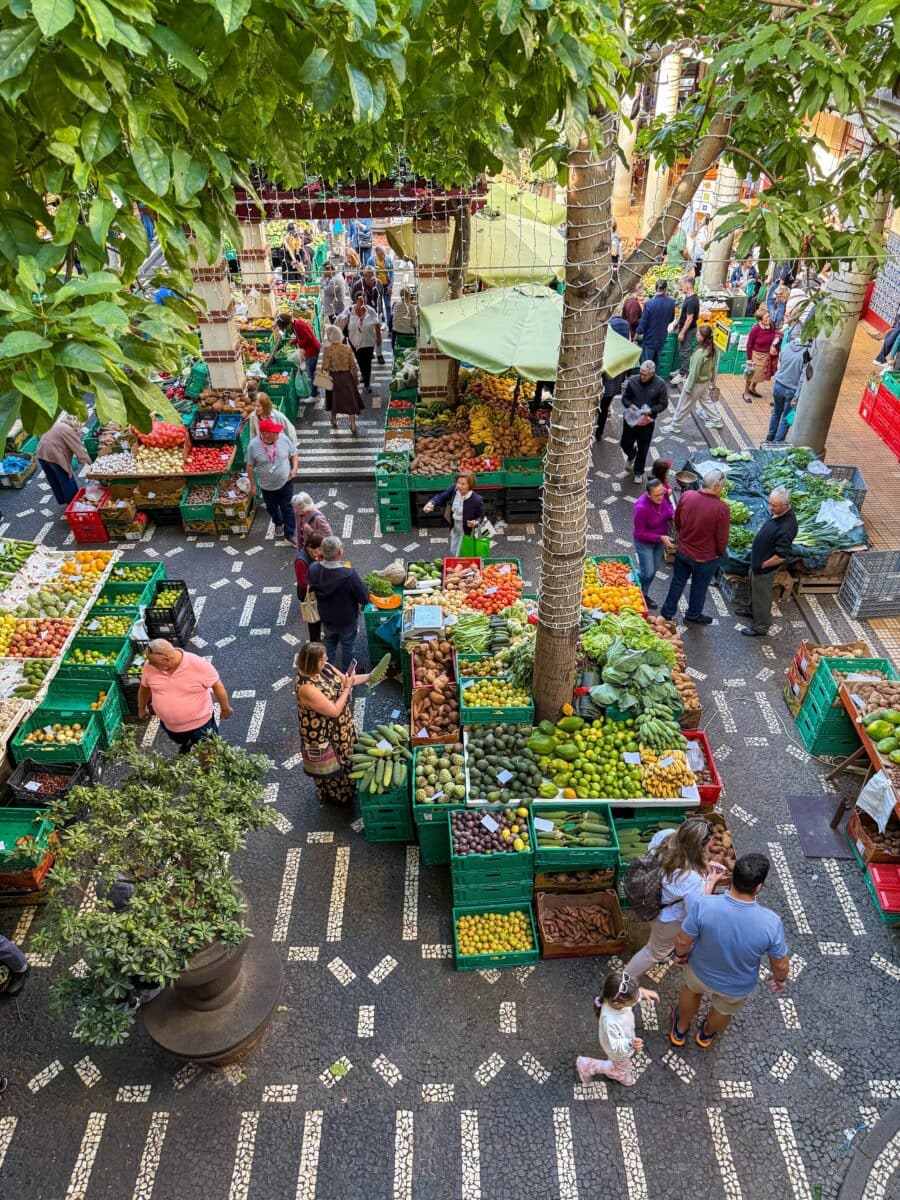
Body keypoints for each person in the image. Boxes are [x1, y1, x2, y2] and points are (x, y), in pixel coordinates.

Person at [671, 852, 789, 1048]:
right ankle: (706, 1035)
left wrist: (679, 955)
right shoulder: (771, 923)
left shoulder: (705, 905)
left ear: (732, 878)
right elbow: (781, 964)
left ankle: (680, 1029)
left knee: (691, 993)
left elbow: (683, 940)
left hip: (699, 971)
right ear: (758, 887)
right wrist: (780, 979)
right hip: (736, 986)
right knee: (723, 1012)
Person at [623, 818, 727, 979]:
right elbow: (695, 911)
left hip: (651, 900)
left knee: (658, 940)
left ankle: (661, 951)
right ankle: (623, 982)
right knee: (653, 952)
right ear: (700, 847)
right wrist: (711, 881)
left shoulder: (664, 836)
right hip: (667, 919)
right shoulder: (692, 878)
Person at [295, 641, 370, 807]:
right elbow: (334, 710)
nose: (327, 659)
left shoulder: (325, 667)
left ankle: (351, 788)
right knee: (334, 765)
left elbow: (346, 679)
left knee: (348, 756)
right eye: (323, 658)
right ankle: (338, 797)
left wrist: (370, 676)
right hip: (325, 734)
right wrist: (347, 689)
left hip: (341, 727)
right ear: (314, 662)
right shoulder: (306, 688)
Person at [660, 468, 730, 625]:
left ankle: (667, 612)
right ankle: (693, 615)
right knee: (699, 587)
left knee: (677, 582)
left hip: (683, 551)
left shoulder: (687, 496)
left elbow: (677, 521)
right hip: (706, 558)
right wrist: (719, 553)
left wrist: (684, 537)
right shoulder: (721, 508)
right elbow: (721, 538)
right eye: (722, 486)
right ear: (717, 487)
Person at [138, 639, 233, 753]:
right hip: (171, 726)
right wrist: (142, 708)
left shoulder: (198, 665)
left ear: (166, 659)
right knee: (181, 740)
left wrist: (225, 708)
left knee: (207, 750)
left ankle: (206, 768)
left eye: (153, 662)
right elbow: (144, 688)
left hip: (200, 724)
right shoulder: (149, 667)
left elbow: (217, 685)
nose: (148, 663)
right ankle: (188, 742)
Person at [575, 972, 659, 1088]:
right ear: (618, 1003)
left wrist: (642, 993)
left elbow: (631, 996)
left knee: (619, 1063)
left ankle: (615, 1069)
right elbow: (616, 1045)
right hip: (618, 1050)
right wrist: (630, 1043)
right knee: (621, 1067)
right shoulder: (610, 1021)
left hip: (619, 1039)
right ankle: (586, 1066)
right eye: (634, 1000)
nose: (636, 999)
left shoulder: (613, 999)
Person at [736, 487, 798, 637]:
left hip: (764, 569)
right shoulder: (778, 513)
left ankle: (761, 626)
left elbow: (781, 555)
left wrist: (763, 565)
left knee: (762, 597)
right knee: (754, 591)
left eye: (774, 505)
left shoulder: (787, 526)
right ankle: (752, 611)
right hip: (757, 563)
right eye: (770, 503)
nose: (770, 507)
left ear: (785, 505)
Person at [307, 536, 369, 668]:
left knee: (329, 646)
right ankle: (347, 676)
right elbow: (364, 597)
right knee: (348, 648)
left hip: (326, 617)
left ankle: (327, 674)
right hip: (346, 621)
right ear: (340, 552)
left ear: (321, 552)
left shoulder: (313, 569)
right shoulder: (348, 575)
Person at [245, 419, 299, 545]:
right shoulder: (253, 446)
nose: (278, 433)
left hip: (286, 482)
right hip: (267, 487)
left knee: (287, 508)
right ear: (265, 434)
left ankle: (290, 534)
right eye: (275, 431)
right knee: (272, 509)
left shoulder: (283, 439)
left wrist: (294, 469)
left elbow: (294, 453)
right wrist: (253, 485)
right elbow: (249, 466)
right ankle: (278, 522)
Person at [661, 324, 722, 433]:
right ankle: (717, 420)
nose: (696, 336)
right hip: (704, 382)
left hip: (695, 383)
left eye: (698, 334)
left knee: (684, 404)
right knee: (706, 401)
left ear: (703, 337)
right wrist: (712, 381)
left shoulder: (700, 353)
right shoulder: (712, 348)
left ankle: (675, 425)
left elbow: (694, 372)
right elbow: (713, 367)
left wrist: (688, 387)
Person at [619, 360, 668, 484]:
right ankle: (631, 454)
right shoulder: (633, 381)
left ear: (652, 374)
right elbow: (625, 398)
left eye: (644, 375)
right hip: (631, 421)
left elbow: (663, 404)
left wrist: (651, 411)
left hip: (647, 423)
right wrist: (631, 405)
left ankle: (638, 472)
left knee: (643, 448)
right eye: (640, 373)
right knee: (625, 443)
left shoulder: (660, 384)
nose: (641, 376)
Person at [632, 478, 675, 609]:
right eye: (657, 495)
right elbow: (640, 533)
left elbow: (669, 507)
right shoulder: (641, 508)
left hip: (660, 540)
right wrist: (661, 537)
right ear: (648, 494)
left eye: (662, 493)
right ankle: (631, 578)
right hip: (644, 543)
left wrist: (673, 515)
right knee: (647, 572)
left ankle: (643, 593)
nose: (661, 497)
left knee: (654, 569)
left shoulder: (664, 494)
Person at [767, 321, 810, 442]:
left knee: (776, 412)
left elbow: (780, 362)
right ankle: (777, 442)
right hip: (791, 389)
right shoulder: (806, 354)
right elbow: (802, 378)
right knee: (786, 418)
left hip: (778, 384)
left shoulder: (786, 347)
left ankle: (770, 437)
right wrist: (796, 397)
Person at [423, 473, 484, 556]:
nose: (459, 486)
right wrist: (431, 503)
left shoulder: (476, 499)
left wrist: (475, 522)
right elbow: (441, 497)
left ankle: (462, 565)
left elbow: (481, 516)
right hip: (455, 526)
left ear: (470, 485)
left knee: (458, 555)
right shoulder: (454, 489)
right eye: (458, 482)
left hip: (466, 530)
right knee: (453, 550)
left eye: (463, 484)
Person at [35, 413, 91, 504]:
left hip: (41, 453)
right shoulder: (68, 429)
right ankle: (73, 502)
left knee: (53, 479)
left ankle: (62, 499)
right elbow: (78, 448)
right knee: (66, 477)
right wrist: (90, 463)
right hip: (54, 455)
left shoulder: (56, 425)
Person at [320, 323, 364, 432]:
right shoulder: (347, 348)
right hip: (346, 378)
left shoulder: (327, 350)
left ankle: (333, 419)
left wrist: (323, 374)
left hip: (333, 377)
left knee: (333, 399)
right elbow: (353, 366)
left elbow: (325, 367)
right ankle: (353, 424)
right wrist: (356, 379)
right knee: (350, 401)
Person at [596, 314, 632, 440]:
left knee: (596, 407)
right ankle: (599, 433)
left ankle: (591, 430)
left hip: (602, 385)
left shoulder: (606, 349)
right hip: (613, 386)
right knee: (604, 409)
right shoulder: (622, 349)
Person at [340, 294, 383, 395]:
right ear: (356, 301)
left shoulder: (371, 311)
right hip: (354, 341)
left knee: (367, 363)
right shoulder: (349, 310)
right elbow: (340, 321)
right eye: (360, 301)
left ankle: (367, 383)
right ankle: (364, 375)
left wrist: (379, 337)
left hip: (368, 341)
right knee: (360, 360)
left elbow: (377, 324)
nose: (362, 303)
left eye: (364, 300)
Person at [274, 313, 321, 398]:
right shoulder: (296, 324)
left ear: (288, 324)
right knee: (312, 371)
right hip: (310, 349)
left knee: (311, 372)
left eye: (285, 327)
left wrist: (299, 344)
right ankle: (315, 392)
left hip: (312, 350)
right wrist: (294, 342)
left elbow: (309, 338)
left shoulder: (298, 325)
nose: (286, 329)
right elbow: (302, 337)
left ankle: (314, 396)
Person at [742, 305, 780, 404]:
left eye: (768, 316)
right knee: (751, 374)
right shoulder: (756, 329)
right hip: (756, 354)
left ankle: (753, 389)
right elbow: (749, 344)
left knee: (760, 374)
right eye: (766, 317)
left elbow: (774, 334)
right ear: (760, 319)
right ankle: (746, 392)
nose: (769, 319)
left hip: (766, 354)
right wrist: (749, 359)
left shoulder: (771, 325)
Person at [635, 279, 675, 367]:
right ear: (665, 289)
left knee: (646, 364)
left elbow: (643, 322)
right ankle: (655, 379)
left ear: (655, 289)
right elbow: (671, 319)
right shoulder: (671, 303)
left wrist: (636, 335)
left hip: (650, 338)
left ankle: (647, 380)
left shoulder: (649, 304)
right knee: (656, 362)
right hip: (662, 337)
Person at [669, 275, 701, 385]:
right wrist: (676, 324)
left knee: (685, 352)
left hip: (688, 330)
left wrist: (682, 332)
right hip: (684, 328)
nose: (681, 287)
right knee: (682, 351)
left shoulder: (692, 300)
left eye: (682, 285)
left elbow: (689, 318)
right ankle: (682, 370)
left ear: (688, 285)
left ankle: (683, 374)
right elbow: (683, 313)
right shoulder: (688, 298)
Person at [295, 532, 324, 643]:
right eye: (318, 550)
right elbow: (303, 582)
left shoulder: (315, 555)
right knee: (313, 620)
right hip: (309, 594)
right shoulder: (301, 561)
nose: (320, 553)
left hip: (317, 590)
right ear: (310, 547)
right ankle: (315, 642)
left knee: (319, 615)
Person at [372, 246, 394, 327]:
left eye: (384, 254)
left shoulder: (388, 259)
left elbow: (392, 274)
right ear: (377, 254)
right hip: (377, 286)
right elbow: (368, 270)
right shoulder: (372, 260)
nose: (383, 256)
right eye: (381, 255)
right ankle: (383, 321)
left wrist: (390, 286)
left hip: (386, 286)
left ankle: (389, 324)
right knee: (379, 305)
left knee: (388, 305)